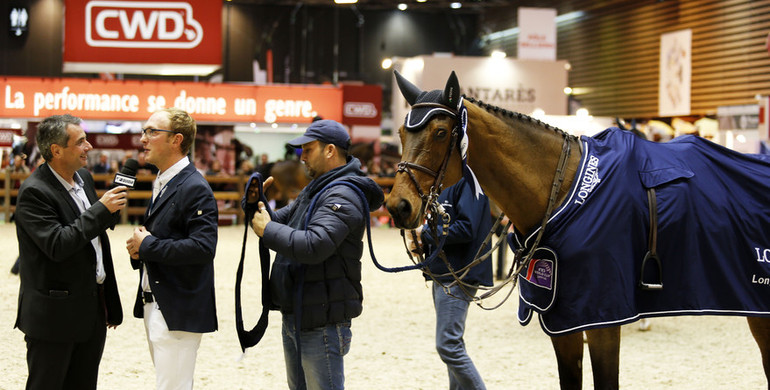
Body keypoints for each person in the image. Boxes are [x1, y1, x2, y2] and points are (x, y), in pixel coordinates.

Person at [250, 119, 384, 390]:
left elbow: (314, 245)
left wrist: (268, 229)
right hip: (301, 310)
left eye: (308, 150)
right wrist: (255, 204)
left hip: (321, 318)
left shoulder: (344, 193)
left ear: (330, 151)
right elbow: (278, 222)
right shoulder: (316, 189)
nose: (302, 157)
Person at [14, 113, 127, 390]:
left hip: (91, 309)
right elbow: (58, 244)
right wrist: (101, 209)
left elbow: (93, 236)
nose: (89, 147)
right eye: (81, 142)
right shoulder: (34, 192)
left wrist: (108, 214)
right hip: (54, 316)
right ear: (56, 150)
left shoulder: (84, 178)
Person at [125, 108, 218, 390]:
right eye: (144, 131)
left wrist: (149, 245)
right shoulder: (164, 180)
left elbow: (203, 247)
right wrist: (140, 249)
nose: (143, 138)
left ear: (177, 140)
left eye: (152, 132)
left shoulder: (194, 186)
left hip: (178, 307)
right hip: (156, 300)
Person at [410, 176, 493, 390]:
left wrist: (426, 234)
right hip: (444, 271)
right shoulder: (443, 183)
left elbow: (467, 228)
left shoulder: (467, 182)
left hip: (459, 273)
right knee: (453, 344)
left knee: (448, 345)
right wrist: (422, 242)